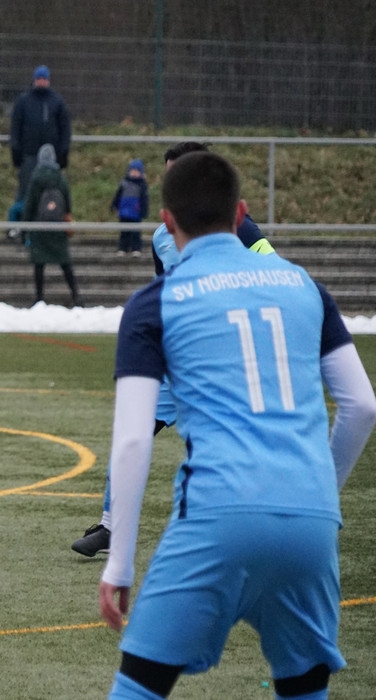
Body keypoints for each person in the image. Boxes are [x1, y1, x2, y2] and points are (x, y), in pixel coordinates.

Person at [99, 151, 376, 699]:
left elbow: (132, 440)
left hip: (217, 515)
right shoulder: (305, 286)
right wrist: (321, 494)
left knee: (140, 687)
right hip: (311, 523)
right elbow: (362, 406)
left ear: (167, 221)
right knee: (303, 688)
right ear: (241, 212)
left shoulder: (155, 303)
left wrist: (121, 564)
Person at [71, 141, 276, 558]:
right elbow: (163, 289)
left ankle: (248, 526)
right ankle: (110, 525)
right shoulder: (161, 237)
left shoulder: (239, 230)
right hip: (173, 361)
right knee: (130, 433)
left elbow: (272, 270)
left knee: (226, 448)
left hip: (221, 363)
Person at [19, 144, 79, 307]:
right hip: (58, 227)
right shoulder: (61, 178)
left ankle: (39, 297)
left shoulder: (36, 178)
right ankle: (76, 295)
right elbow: (68, 204)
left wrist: (24, 229)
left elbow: (30, 205)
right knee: (65, 263)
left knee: (39, 264)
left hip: (40, 227)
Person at [9, 64, 72, 205]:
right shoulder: (23, 102)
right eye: (39, 79)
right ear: (34, 80)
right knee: (25, 192)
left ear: (48, 80)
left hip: (52, 159)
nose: (41, 82)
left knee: (51, 193)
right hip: (29, 156)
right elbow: (15, 128)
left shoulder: (57, 102)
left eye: (44, 79)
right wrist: (16, 153)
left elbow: (65, 129)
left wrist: (63, 154)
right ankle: (21, 218)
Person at [110, 158, 149, 257]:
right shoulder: (123, 183)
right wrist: (114, 205)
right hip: (124, 211)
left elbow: (144, 199)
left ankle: (136, 248)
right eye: (132, 170)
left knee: (135, 232)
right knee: (124, 231)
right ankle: (123, 248)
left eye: (137, 171)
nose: (134, 173)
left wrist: (144, 211)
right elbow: (118, 195)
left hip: (135, 212)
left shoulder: (142, 185)